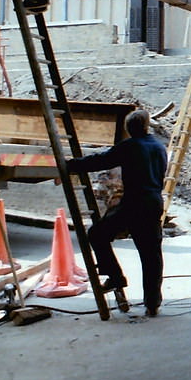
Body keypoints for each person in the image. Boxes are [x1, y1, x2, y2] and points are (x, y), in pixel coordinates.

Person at [66, 109, 167, 317]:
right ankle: (153, 303)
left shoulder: (130, 146)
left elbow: (101, 160)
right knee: (151, 254)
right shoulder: (159, 147)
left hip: (134, 202)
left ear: (130, 129)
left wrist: (70, 165)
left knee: (97, 234)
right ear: (146, 126)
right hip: (154, 201)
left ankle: (115, 275)